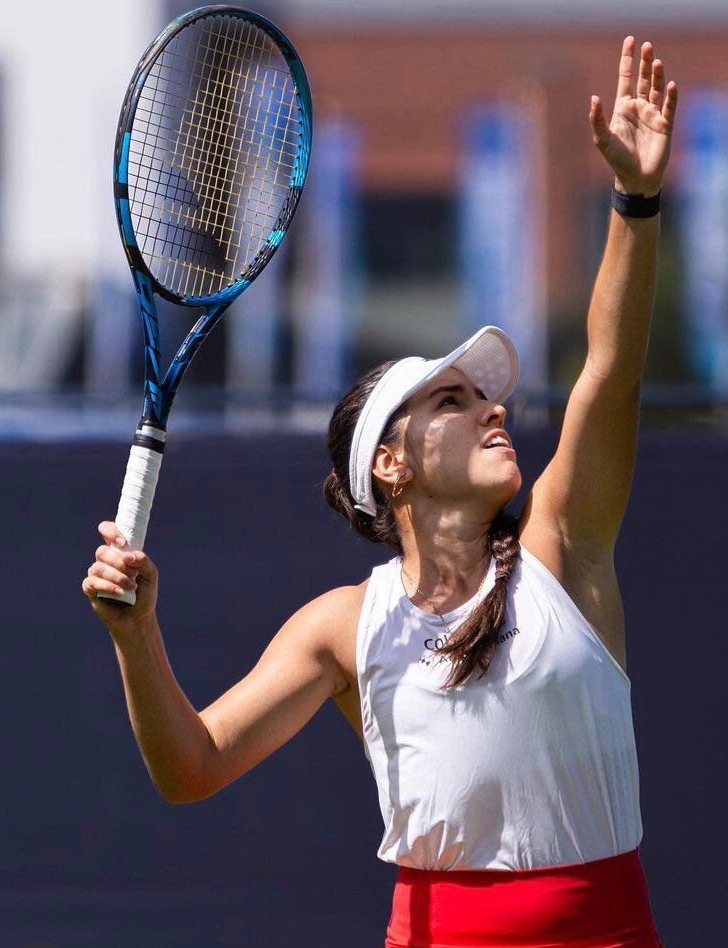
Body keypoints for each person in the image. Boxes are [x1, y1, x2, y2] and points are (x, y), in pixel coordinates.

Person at [83, 34, 677, 948]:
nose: (492, 412)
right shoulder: (339, 628)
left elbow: (611, 368)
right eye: (453, 399)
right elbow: (189, 768)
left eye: (486, 397)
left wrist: (635, 202)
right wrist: (137, 635)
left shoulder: (566, 543)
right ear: (391, 466)